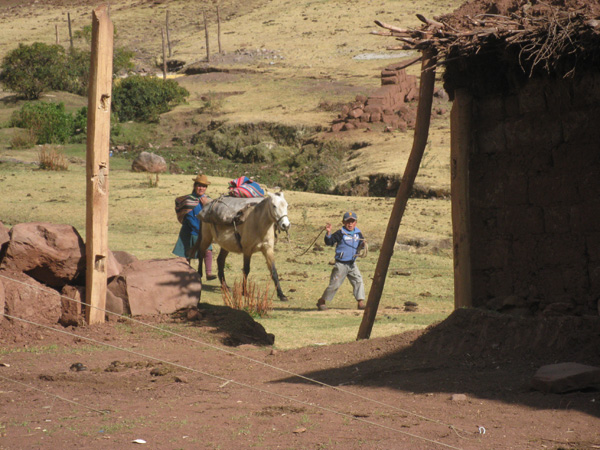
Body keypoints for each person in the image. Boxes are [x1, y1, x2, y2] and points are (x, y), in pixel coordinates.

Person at [316, 211, 366, 311]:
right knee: (335, 284)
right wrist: (328, 233)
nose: (350, 224)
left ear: (355, 222)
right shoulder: (340, 233)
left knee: (358, 281)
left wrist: (363, 245)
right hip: (341, 264)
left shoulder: (358, 233)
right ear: (343, 222)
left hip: (352, 264)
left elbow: (361, 245)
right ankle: (322, 301)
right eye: (348, 221)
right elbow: (329, 242)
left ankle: (360, 302)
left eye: (352, 221)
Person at [173, 173, 216, 280]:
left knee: (208, 251)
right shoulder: (188, 200)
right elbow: (188, 216)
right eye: (199, 185)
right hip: (189, 230)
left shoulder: (208, 200)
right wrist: (196, 229)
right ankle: (185, 275)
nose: (201, 188)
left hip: (204, 230)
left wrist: (206, 204)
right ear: (195, 186)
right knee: (186, 253)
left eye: (204, 186)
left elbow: (213, 215)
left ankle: (209, 274)